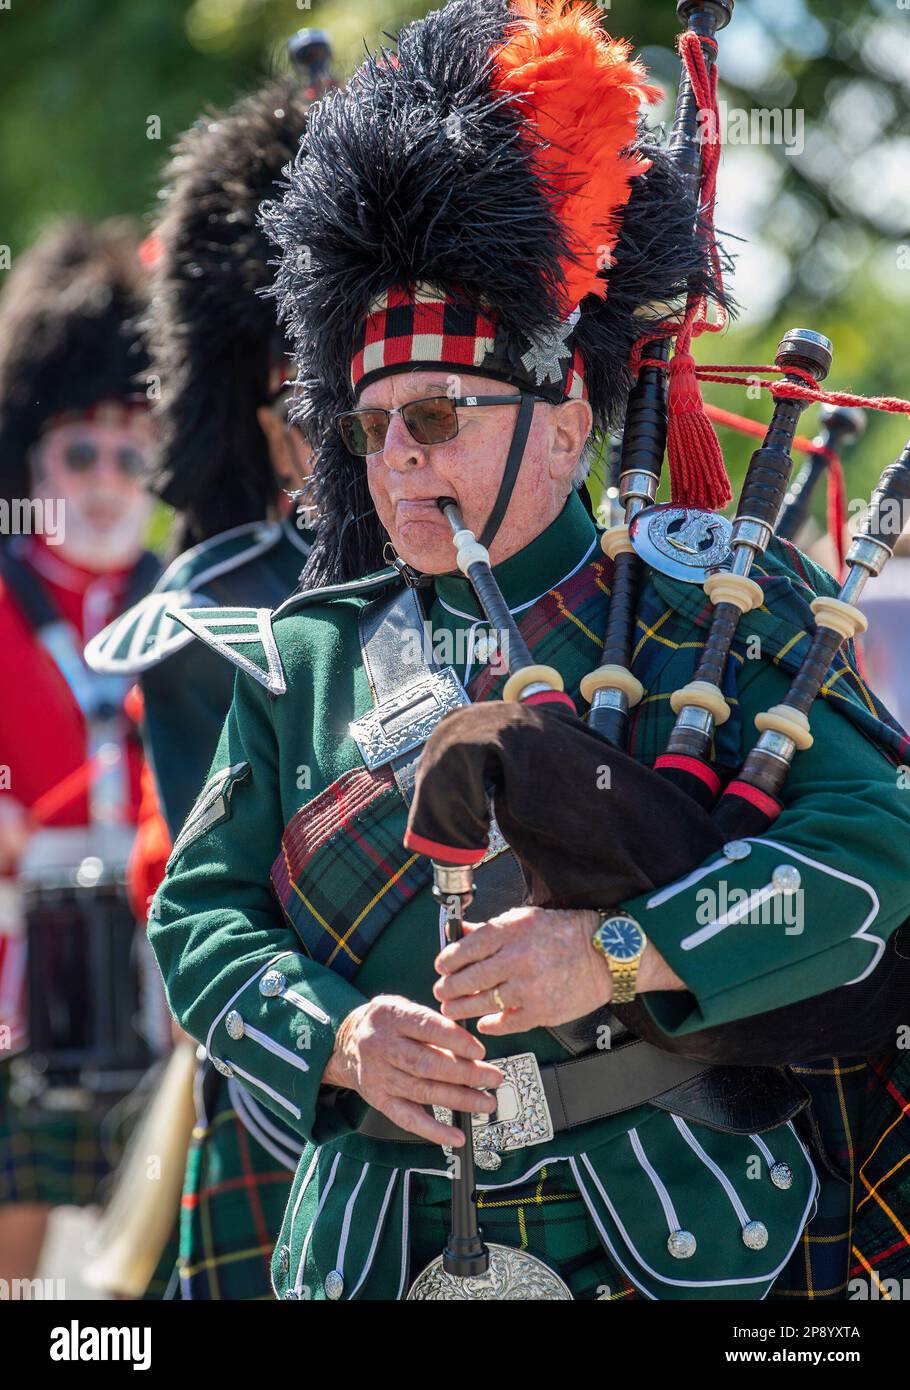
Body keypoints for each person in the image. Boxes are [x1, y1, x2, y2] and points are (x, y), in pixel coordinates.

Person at [149, 0, 910, 1300]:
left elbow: (874, 852)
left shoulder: (713, 606)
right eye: (369, 426)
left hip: (674, 1235)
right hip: (372, 1246)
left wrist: (621, 950)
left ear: (563, 421)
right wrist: (339, 1036)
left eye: (436, 415)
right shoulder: (307, 654)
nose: (395, 461)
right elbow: (198, 915)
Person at [85, 75, 317, 1301]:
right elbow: (202, 903)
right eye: (311, 404)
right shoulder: (206, 615)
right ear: (258, 412)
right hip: (295, 1088)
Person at [0, 219, 158, 1282]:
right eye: (81, 452)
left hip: (151, 974)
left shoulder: (187, 598)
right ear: (31, 453)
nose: (107, 480)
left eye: (132, 453)